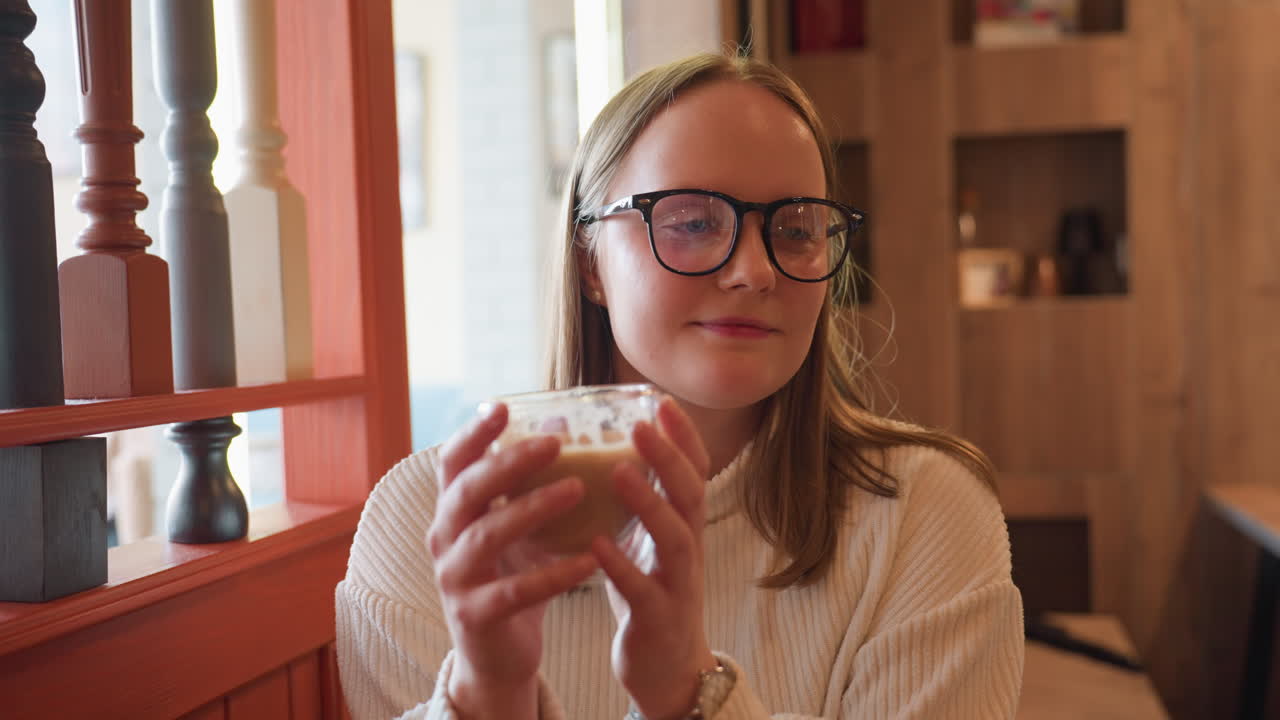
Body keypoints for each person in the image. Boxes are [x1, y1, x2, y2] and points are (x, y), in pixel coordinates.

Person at [336, 52, 1024, 719]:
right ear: (590, 263)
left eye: (795, 230)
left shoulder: (924, 516)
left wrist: (689, 694)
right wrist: (486, 700)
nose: (754, 271)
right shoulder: (425, 523)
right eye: (693, 222)